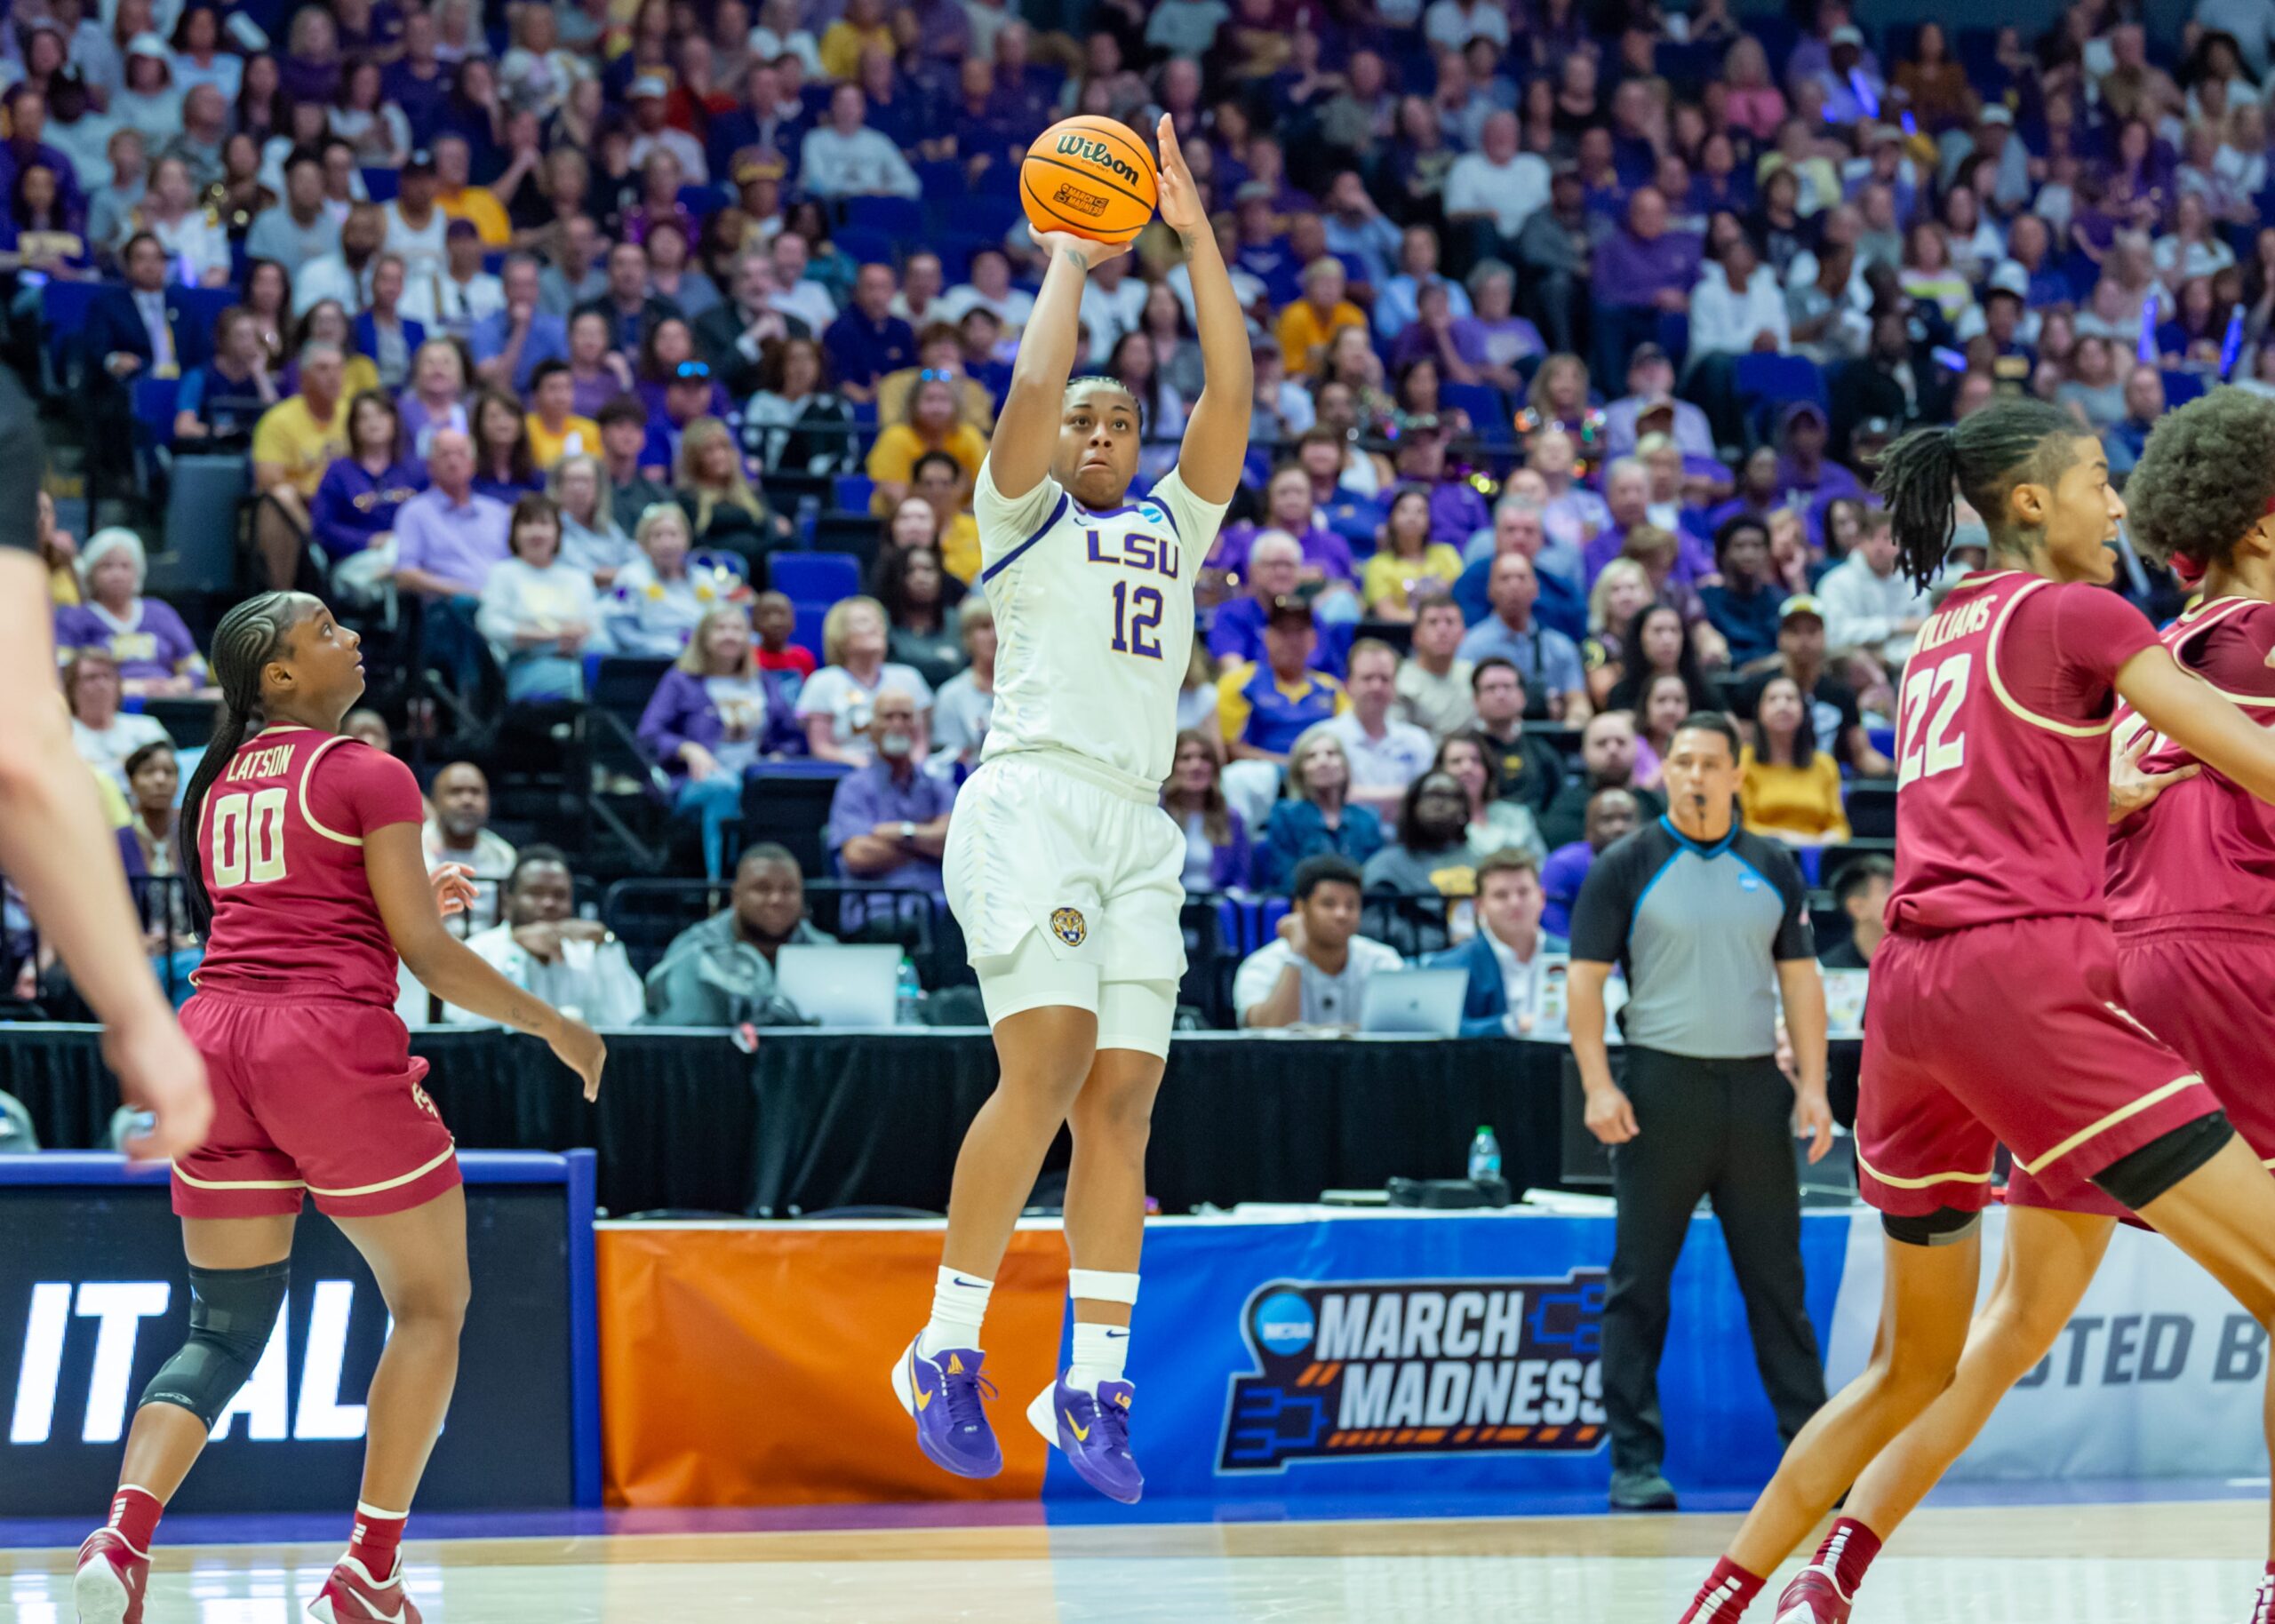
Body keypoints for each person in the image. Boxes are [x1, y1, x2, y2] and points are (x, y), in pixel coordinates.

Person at [1686, 399, 2275, 1624]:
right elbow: (2252, 757)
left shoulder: (1941, 630)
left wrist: (2116, 784)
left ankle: (1738, 1599)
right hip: (2037, 982)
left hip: (1908, 1000)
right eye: (2098, 481)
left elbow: (2065, 781)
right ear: (2028, 503)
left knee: (1918, 1361)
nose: (2119, 504)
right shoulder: (2088, 614)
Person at [70, 593, 603, 1624]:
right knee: (429, 1305)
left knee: (221, 1330)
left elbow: (290, 908)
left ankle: (121, 1539)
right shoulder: (365, 768)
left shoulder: (216, 780)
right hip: (320, 1041)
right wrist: (553, 1026)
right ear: (276, 674)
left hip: (214, 1039)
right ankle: (367, 1569)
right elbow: (427, 956)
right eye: (322, 629)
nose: (350, 635)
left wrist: (401, 893)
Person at [901, 116, 1247, 1504]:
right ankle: (942, 1346)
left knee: (1125, 1104)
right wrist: (1073, 256)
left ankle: (1089, 1378)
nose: (1100, 431)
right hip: (1030, 799)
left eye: (1123, 421)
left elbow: (1231, 387)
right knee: (1040, 1071)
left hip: (1137, 822)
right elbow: (1036, 382)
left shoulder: (1176, 525)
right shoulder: (1022, 513)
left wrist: (1197, 232)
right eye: (1085, 423)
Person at [1568, 711, 1832, 1515]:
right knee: (1639, 1284)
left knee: (1777, 1285)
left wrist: (1814, 1087)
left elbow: (1801, 983)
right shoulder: (1628, 863)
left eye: (1708, 763)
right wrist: (1598, 1086)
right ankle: (1636, 1466)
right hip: (1659, 1090)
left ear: (1735, 775)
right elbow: (1583, 982)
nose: (1692, 775)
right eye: (1680, 762)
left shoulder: (1774, 864)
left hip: (1755, 1091)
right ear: (1666, 772)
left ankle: (1812, 1455)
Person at [638, 602, 801, 879]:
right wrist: (686, 748)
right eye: (721, 628)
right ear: (703, 637)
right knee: (724, 786)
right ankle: (721, 883)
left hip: (753, 777)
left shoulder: (763, 681)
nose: (730, 636)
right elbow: (649, 735)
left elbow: (792, 736)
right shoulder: (681, 680)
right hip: (696, 782)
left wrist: (780, 756)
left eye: (737, 629)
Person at [442, 845, 643, 1027]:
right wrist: (521, 949)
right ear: (508, 900)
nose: (549, 903)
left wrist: (605, 944)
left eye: (560, 895)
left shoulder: (590, 951)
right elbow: (464, 1024)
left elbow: (626, 1021)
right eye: (535, 893)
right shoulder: (478, 950)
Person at [644, 842, 838, 1025]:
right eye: (762, 888)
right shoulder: (694, 951)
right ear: (736, 896)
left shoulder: (826, 953)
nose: (776, 899)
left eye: (788, 889)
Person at [1216, 596, 1351, 829]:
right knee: (1240, 778)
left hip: (1321, 779)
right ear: (1267, 637)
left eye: (1300, 632)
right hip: (1264, 781)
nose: (1292, 640)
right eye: (1283, 632)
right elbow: (1230, 748)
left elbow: (1348, 743)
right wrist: (1293, 766)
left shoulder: (1331, 689)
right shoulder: (1240, 682)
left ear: (1312, 640)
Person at [1233, 854, 1402, 1029]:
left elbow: (1407, 1032)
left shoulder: (1382, 962)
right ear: (1300, 907)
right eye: (1329, 904)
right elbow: (1268, 1035)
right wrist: (1295, 956)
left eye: (1351, 905)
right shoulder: (1262, 965)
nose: (1341, 914)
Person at [827, 687, 954, 896]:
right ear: (871, 727)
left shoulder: (938, 785)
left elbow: (951, 844)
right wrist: (925, 846)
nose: (897, 725)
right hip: (881, 907)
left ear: (917, 727)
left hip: (939, 906)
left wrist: (900, 833)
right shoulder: (853, 787)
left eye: (906, 717)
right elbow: (858, 854)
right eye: (888, 717)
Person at [249, 340, 352, 592]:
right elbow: (269, 479)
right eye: (323, 369)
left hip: (351, 506)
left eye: (338, 368)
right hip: (303, 510)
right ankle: (282, 598)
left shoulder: (353, 414)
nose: (333, 376)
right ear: (303, 377)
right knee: (278, 497)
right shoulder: (279, 420)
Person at [476, 493, 599, 703]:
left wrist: (580, 635)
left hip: (579, 660)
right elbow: (491, 625)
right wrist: (548, 636)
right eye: (527, 524)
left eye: (544, 523)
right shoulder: (504, 573)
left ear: (558, 532)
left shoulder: (577, 578)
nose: (536, 532)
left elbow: (596, 627)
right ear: (514, 532)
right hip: (526, 663)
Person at [1428, 848, 1566, 1036]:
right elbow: (1447, 1030)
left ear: (1541, 898)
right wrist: (1509, 1027)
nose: (1515, 903)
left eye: (1523, 892)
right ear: (1479, 906)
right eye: (1501, 895)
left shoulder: (1572, 956)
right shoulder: (1450, 967)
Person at [54, 529, 207, 695]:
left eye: (125, 566)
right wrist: (129, 688)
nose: (117, 574)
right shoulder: (74, 618)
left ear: (138, 572)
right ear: (90, 574)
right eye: (107, 566)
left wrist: (177, 686)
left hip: (167, 705)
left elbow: (196, 667)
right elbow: (62, 671)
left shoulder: (161, 612)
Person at [797, 594, 934, 765]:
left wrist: (909, 769)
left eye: (879, 621)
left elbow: (920, 742)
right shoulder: (823, 682)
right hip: (844, 775)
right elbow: (821, 747)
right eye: (864, 622)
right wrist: (863, 766)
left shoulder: (909, 678)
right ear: (840, 634)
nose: (876, 627)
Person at [1457, 553, 1591, 721]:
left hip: (1549, 739)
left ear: (1536, 588)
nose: (1514, 585)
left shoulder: (1560, 646)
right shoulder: (1472, 646)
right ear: (1490, 590)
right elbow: (1465, 703)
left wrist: (1575, 721)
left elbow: (1578, 700)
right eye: (1505, 578)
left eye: (1522, 578)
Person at [1255, 725, 1385, 888]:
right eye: (1311, 756)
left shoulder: (1367, 818)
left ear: (1345, 766)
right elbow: (1285, 878)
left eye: (1331, 754)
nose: (1323, 762)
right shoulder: (1285, 815)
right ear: (1299, 770)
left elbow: (1376, 878)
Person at [1325, 638, 1434, 819]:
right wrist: (1406, 795)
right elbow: (1329, 800)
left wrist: (1356, 796)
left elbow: (1427, 799)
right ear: (1347, 685)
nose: (1377, 686)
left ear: (1395, 685)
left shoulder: (1418, 740)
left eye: (1385, 679)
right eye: (1367, 678)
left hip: (1407, 841)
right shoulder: (1324, 737)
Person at [1740, 674, 1853, 846]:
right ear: (1760, 711)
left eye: (1790, 698)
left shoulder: (1825, 764)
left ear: (1803, 710)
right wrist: (1785, 838)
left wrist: (1819, 843)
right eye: (1772, 699)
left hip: (1815, 854)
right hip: (1761, 854)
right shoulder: (1743, 761)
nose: (1782, 705)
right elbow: (1743, 825)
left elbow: (1840, 828)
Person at [1816, 507, 1931, 670]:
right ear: (1859, 542)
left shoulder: (1916, 588)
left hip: (1905, 669)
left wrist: (1888, 659)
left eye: (1887, 538)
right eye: (1870, 538)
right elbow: (1835, 635)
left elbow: (1922, 640)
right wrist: (1895, 626)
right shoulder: (1834, 584)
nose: (1878, 547)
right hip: (1848, 672)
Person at [1537, 710, 1667, 850]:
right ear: (1583, 752)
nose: (1612, 750)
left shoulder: (1656, 805)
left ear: (1637, 749)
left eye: (1621, 742)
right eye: (1601, 743)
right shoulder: (1564, 809)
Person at [422, 761, 516, 929]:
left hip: (487, 950)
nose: (467, 800)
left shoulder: (503, 854)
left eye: (476, 792)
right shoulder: (412, 847)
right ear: (435, 801)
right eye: (455, 792)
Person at [1470, 657, 1563, 819]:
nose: (1500, 695)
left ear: (1522, 697)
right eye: (1490, 688)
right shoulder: (1466, 752)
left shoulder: (1542, 751)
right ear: (1476, 700)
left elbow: (1558, 800)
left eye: (1507, 687)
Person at [1541, 785, 1640, 938]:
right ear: (1589, 828)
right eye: (1607, 819)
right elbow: (1555, 935)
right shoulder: (1563, 865)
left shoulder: (1655, 862)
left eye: (1626, 818)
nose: (1619, 827)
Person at [66, 649, 170, 790]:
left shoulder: (148, 728)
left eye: (107, 676)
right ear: (72, 687)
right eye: (91, 678)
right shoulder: (62, 733)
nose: (101, 684)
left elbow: (168, 778)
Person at [1161, 729, 1250, 893]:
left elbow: (1241, 880)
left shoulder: (1232, 819)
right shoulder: (1157, 816)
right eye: (1185, 758)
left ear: (1215, 768)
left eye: (1205, 758)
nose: (1196, 766)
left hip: (1216, 909)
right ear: (1171, 766)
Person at [1393, 592, 1476, 740]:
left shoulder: (1475, 677)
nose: (1442, 630)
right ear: (1416, 635)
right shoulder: (1398, 681)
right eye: (1433, 622)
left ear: (1463, 633)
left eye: (1450, 622)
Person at [931, 599, 996, 767]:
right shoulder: (951, 694)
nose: (994, 635)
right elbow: (947, 761)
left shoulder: (1027, 689)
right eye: (984, 627)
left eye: (999, 625)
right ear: (967, 637)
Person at [1819, 853, 1892, 969]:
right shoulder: (1828, 972)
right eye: (1888, 890)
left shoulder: (1916, 965)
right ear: (1857, 908)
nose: (1901, 897)